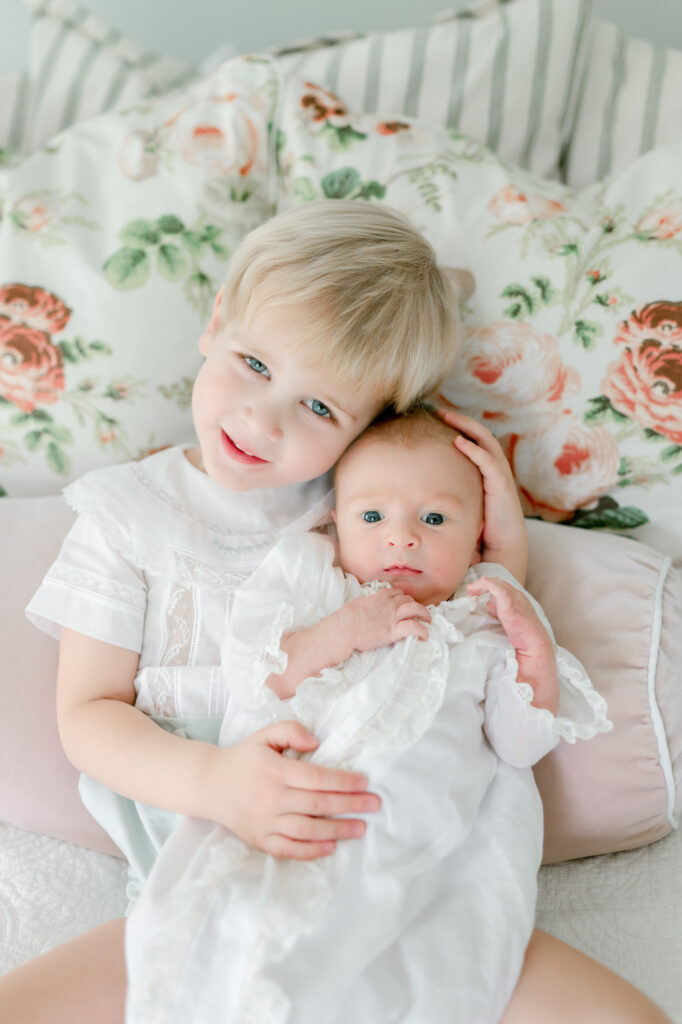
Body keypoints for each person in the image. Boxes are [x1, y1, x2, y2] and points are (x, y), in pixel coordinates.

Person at [0, 199, 671, 1024]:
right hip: (213, 881)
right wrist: (217, 783)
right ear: (218, 320)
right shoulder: (130, 516)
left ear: (371, 426)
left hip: (411, 881)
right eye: (253, 363)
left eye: (320, 409)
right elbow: (88, 718)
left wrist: (498, 553)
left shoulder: (362, 513)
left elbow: (465, 631)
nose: (263, 417)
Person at [122, 406, 611, 1024]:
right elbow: (258, 677)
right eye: (372, 516)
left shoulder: (481, 621)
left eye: (434, 519)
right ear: (335, 523)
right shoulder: (314, 584)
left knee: (409, 963)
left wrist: (533, 649)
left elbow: (519, 745)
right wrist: (341, 633)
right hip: (297, 813)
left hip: (420, 844)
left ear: (477, 536)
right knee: (243, 937)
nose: (401, 537)